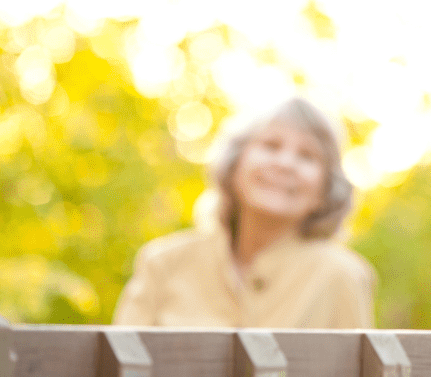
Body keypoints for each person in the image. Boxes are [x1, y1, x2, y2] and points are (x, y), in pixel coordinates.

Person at [114, 97, 375, 328]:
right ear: (233, 165)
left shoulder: (342, 275)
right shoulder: (164, 262)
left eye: (307, 156)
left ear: (325, 190)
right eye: (271, 146)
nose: (285, 164)